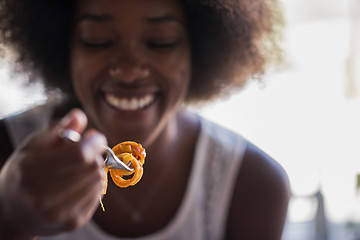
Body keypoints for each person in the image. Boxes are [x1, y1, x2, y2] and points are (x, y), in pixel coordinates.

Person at [0, 0, 290, 239]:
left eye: (160, 42)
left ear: (197, 50)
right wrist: (10, 218)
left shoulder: (253, 185)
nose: (128, 70)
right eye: (97, 41)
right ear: (65, 46)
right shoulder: (6, 150)